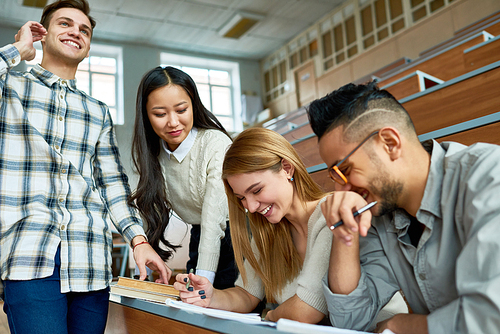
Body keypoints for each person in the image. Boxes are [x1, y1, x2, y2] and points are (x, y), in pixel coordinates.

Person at [0, 1, 171, 333]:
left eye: (84, 30)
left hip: (91, 260)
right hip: (29, 256)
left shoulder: (98, 111)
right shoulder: (11, 89)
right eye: (65, 24)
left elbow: (113, 185)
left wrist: (138, 240)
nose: (76, 32)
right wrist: (18, 49)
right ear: (43, 33)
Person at [307, 81, 500, 333]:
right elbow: (351, 320)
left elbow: (488, 319)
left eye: (344, 171)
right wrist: (346, 229)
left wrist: (399, 325)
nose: (342, 191)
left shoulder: (488, 177)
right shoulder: (377, 214)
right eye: (334, 177)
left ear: (390, 143)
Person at [174, 127, 360, 323]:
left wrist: (271, 315)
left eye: (257, 190)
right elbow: (246, 296)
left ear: (287, 169)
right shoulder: (269, 230)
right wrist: (210, 296)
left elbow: (306, 310)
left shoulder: (329, 215)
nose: (251, 208)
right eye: (241, 198)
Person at [129, 66, 237, 289]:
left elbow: (213, 220)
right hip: (201, 236)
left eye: (181, 110)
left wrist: (203, 281)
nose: (173, 122)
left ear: (193, 106)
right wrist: (151, 268)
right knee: (192, 307)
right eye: (160, 114)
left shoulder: (215, 144)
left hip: (240, 237)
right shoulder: (154, 155)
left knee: (220, 305)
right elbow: (152, 211)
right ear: (146, 116)